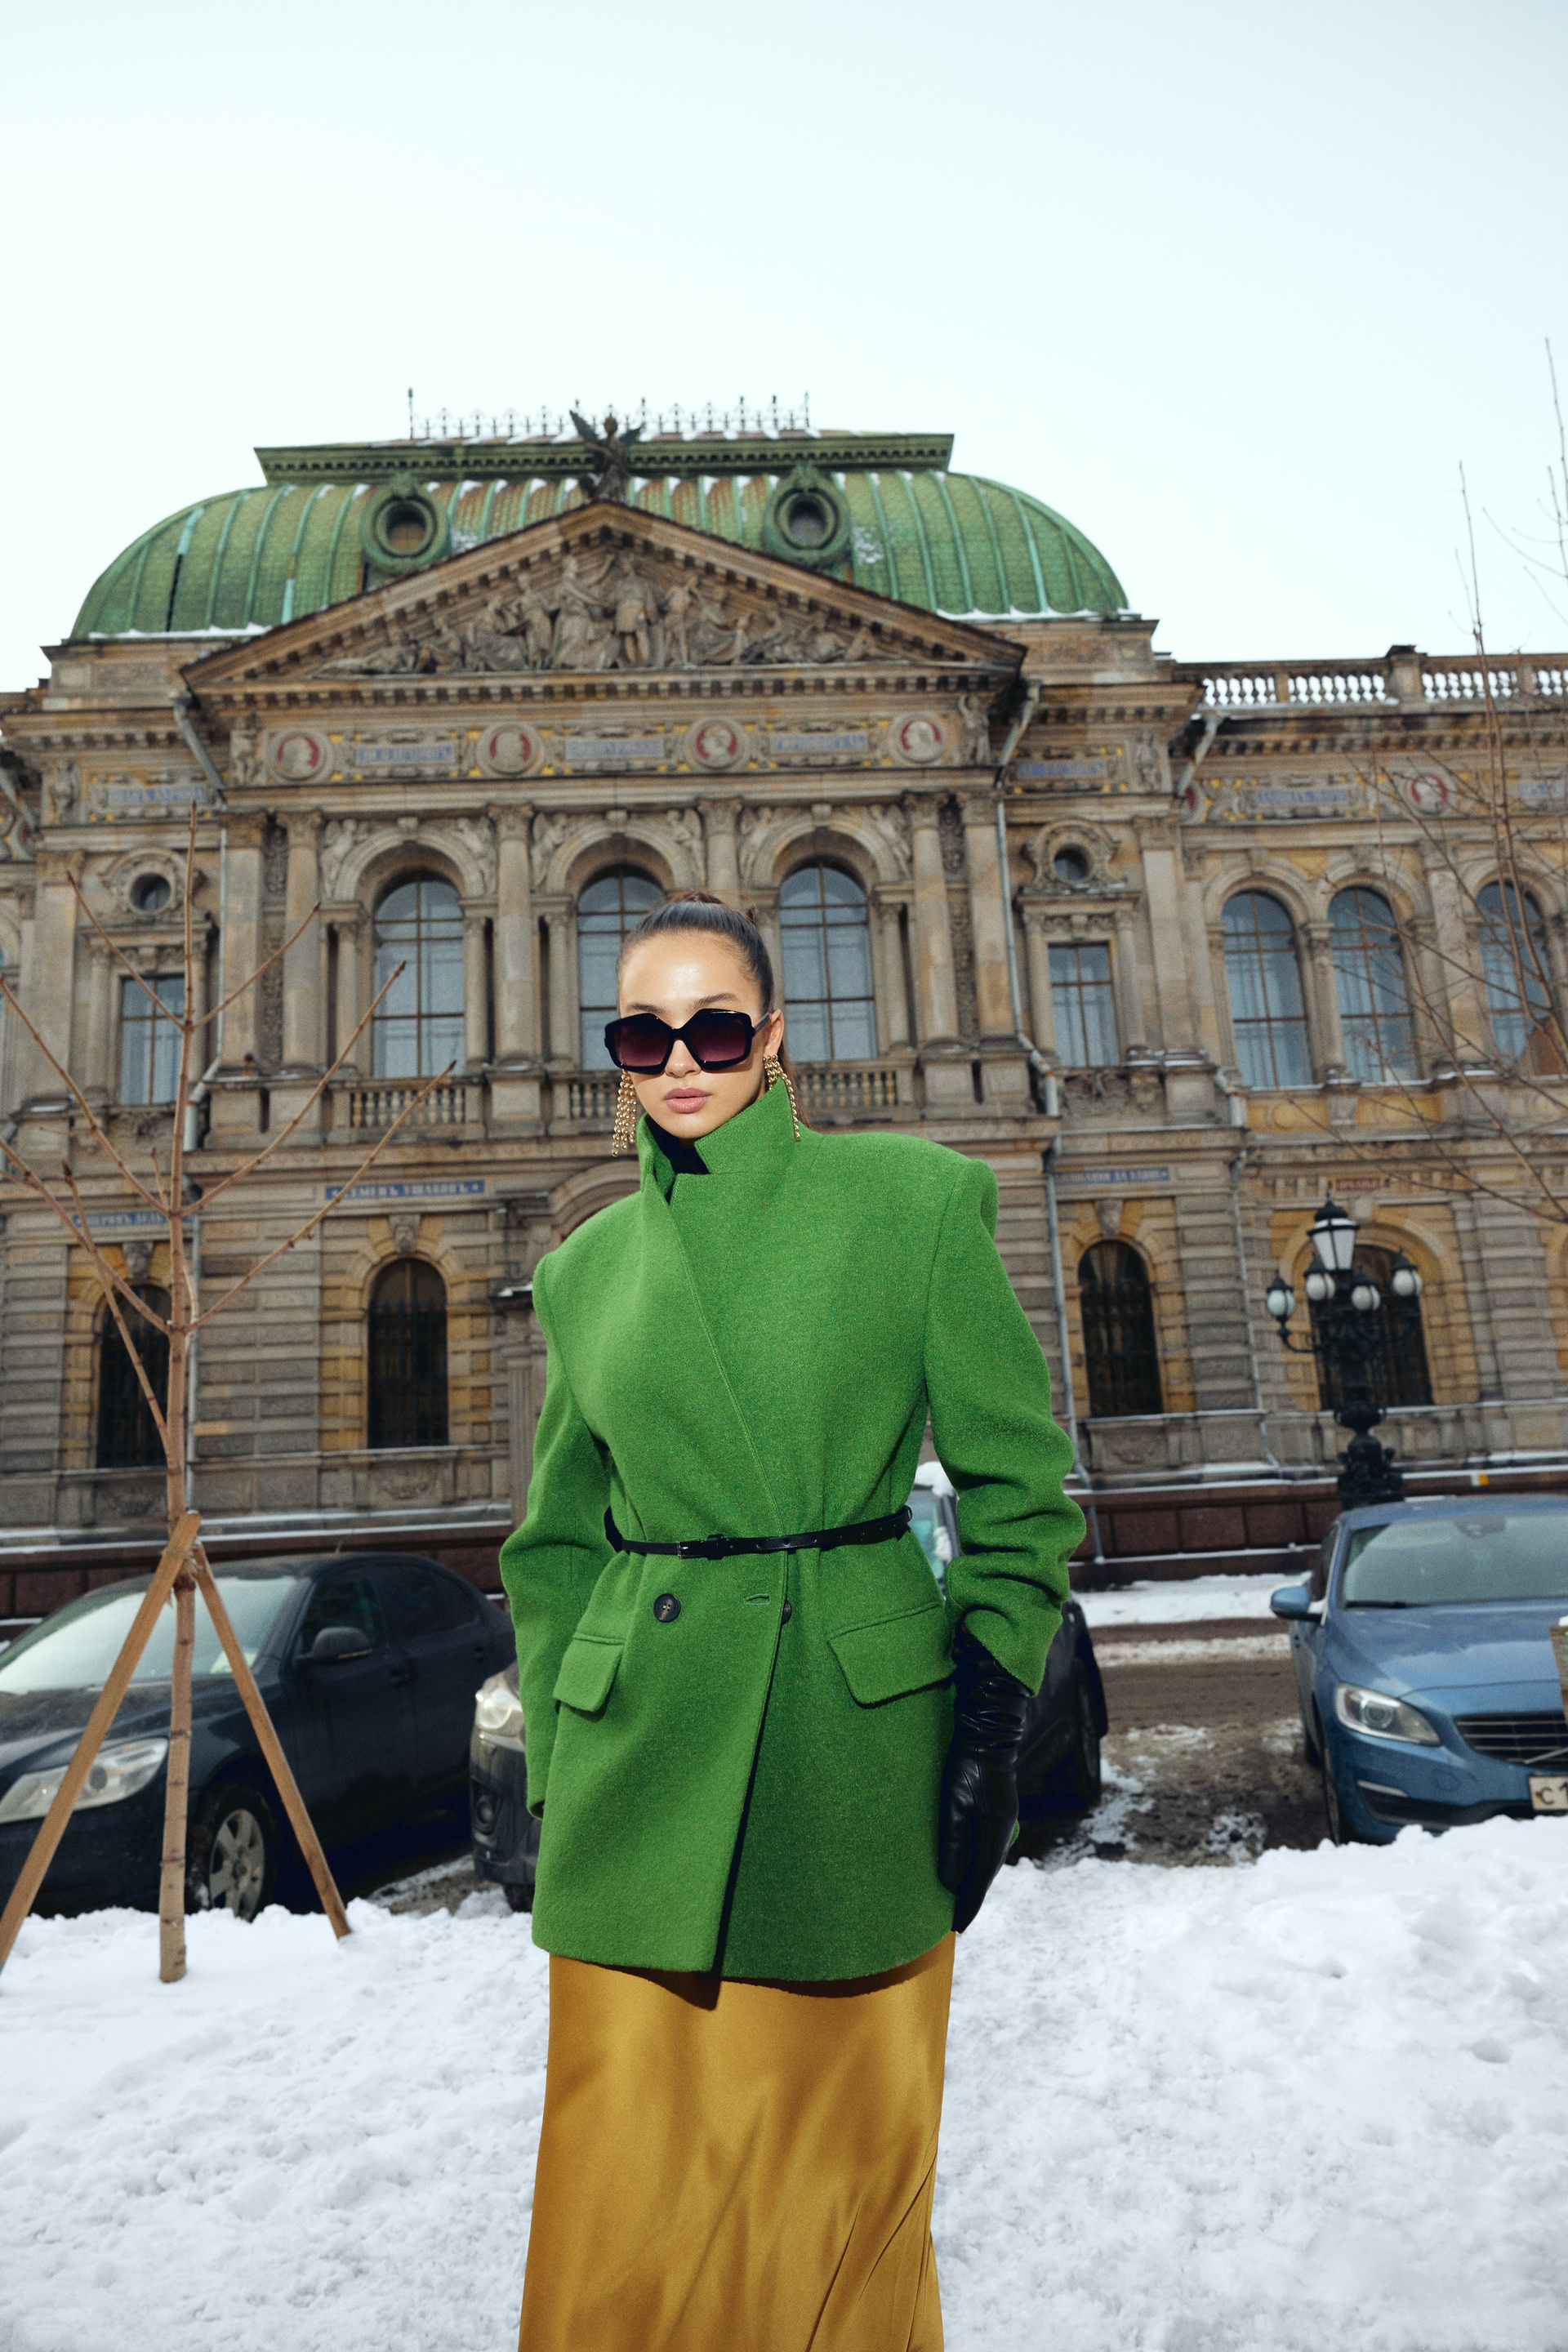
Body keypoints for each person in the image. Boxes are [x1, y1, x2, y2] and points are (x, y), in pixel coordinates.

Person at [501, 889, 1083, 2352]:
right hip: (641, 1776)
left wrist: (989, 1708)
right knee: (625, 2215)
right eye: (643, 1034)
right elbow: (555, 1543)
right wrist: (562, 1763)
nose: (678, 1060)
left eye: (712, 1028)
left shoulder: (913, 1204)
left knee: (840, 2193)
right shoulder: (584, 1271)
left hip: (848, 1758)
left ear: (772, 1037)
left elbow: (1020, 1489)